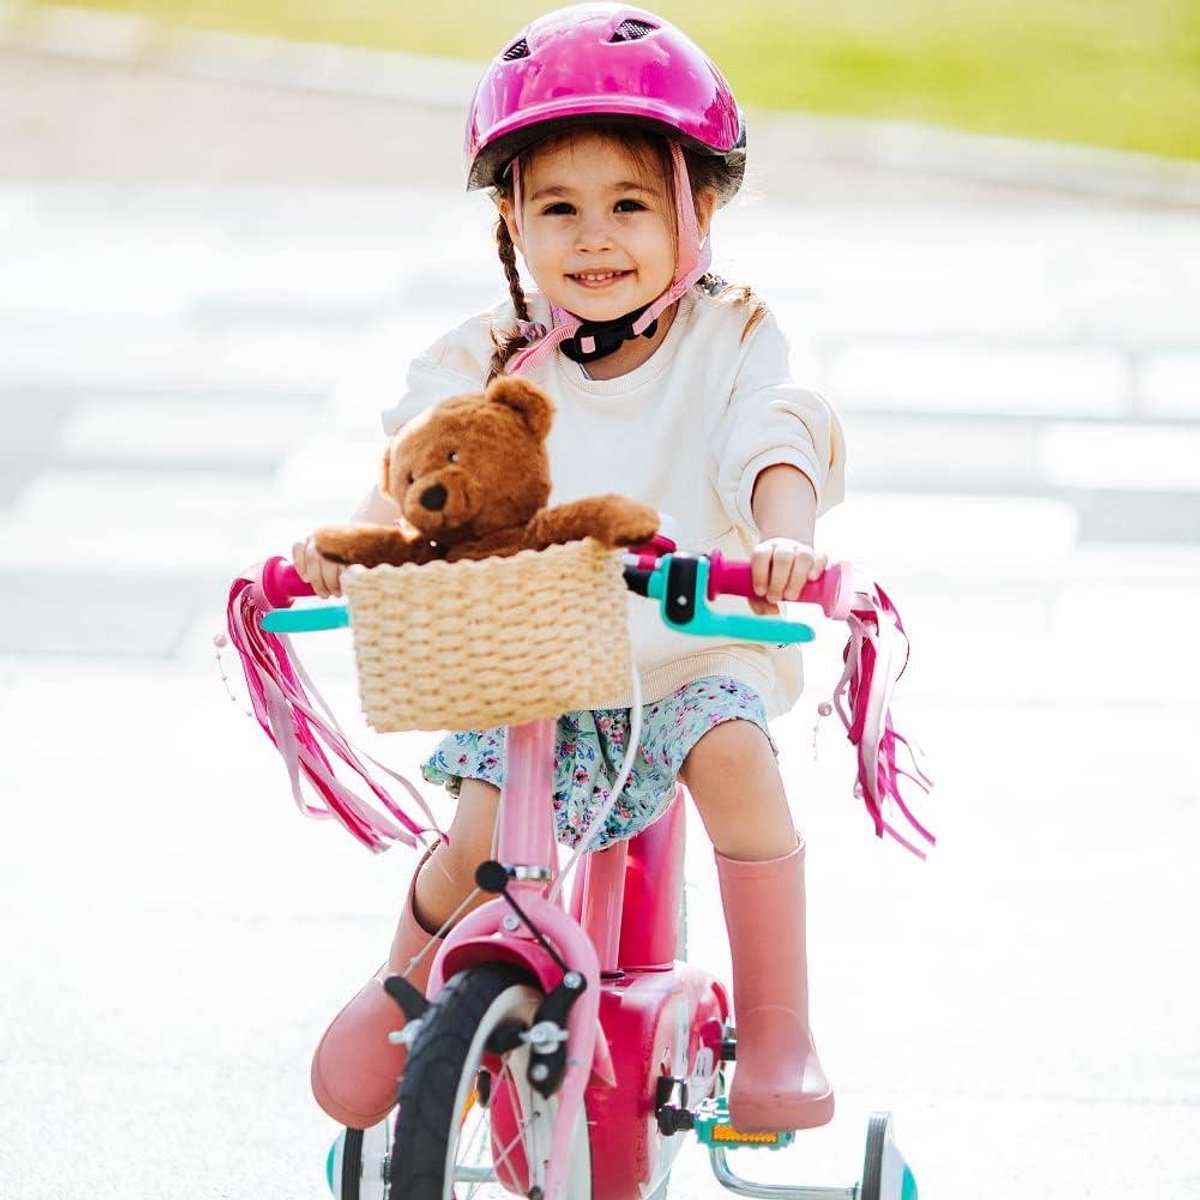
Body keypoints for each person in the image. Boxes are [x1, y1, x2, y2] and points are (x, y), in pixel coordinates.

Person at [293, 2, 845, 1136]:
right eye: (559, 208)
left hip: (689, 651)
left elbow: (773, 436)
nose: (595, 239)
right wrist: (345, 556)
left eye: (632, 206)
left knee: (738, 756)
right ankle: (404, 989)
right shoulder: (491, 354)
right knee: (478, 839)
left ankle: (780, 1028)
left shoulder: (731, 335)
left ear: (698, 209)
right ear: (511, 219)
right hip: (532, 663)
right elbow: (416, 468)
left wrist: (784, 538)